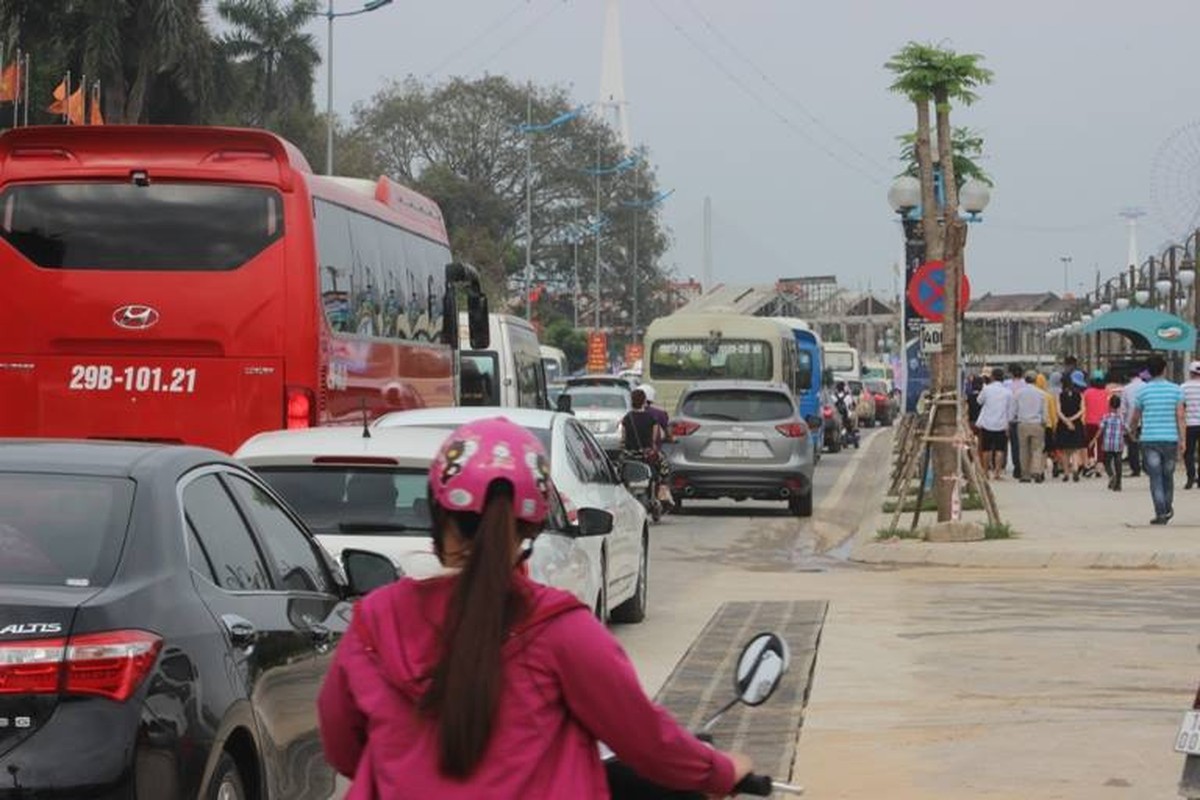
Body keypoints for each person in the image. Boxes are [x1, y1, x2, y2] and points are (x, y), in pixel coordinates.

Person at [317, 417, 751, 797]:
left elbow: (342, 745)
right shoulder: (561, 630)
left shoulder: (376, 620)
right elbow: (647, 741)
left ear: (436, 512)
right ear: (531, 527)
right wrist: (721, 771)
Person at [1130, 355, 1185, 525]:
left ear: (1148, 371)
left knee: (1155, 477)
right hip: (1170, 439)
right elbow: (1180, 416)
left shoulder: (1142, 391)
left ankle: (1161, 511)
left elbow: (1135, 416)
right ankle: (1167, 507)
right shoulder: (1176, 390)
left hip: (1150, 439)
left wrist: (1132, 431)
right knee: (1168, 475)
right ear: (1164, 369)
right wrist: (1183, 439)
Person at [976, 367, 1012, 480]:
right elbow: (1009, 409)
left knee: (986, 449)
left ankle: (985, 472)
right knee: (1000, 450)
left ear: (992, 377)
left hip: (987, 423)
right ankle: (997, 473)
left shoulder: (987, 389)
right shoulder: (1008, 392)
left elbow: (979, 401)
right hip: (1001, 424)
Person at [1013, 370, 1047, 483]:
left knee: (1023, 450)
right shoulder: (1042, 393)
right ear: (1036, 380)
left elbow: (1014, 409)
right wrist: (1044, 422)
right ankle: (1036, 472)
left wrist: (1012, 419)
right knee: (1037, 449)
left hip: (1022, 423)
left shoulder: (1018, 393)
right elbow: (1044, 411)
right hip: (1037, 424)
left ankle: (1025, 475)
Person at [1056, 370, 1087, 482]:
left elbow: (1058, 411)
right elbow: (1082, 409)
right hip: (1076, 424)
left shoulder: (1059, 395)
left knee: (1064, 451)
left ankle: (1066, 473)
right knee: (1075, 450)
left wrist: (1066, 420)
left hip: (1063, 425)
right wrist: (1073, 419)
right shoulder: (1080, 395)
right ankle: (1075, 469)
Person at [1081, 371, 1110, 477]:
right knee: (1101, 446)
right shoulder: (1107, 392)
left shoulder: (1087, 392)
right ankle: (1100, 467)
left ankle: (1091, 463)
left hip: (1089, 422)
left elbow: (1084, 406)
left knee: (1090, 444)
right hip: (1103, 423)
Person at [1097, 394, 1127, 491]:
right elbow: (1126, 428)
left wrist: (1093, 440)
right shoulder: (1121, 417)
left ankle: (1111, 475)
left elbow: (1100, 430)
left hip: (1108, 444)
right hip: (1118, 444)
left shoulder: (1105, 417)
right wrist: (1132, 437)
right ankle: (1119, 483)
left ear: (1109, 405)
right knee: (1118, 463)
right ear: (1119, 406)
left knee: (1107, 462)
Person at [1121, 368, 1147, 477]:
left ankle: (1136, 469)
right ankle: (1147, 467)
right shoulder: (1146, 386)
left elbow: (1123, 409)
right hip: (1146, 421)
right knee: (1146, 445)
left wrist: (1124, 424)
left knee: (1133, 446)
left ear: (1128, 377)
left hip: (1131, 421)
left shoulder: (1126, 389)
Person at [1183, 361, 1200, 488]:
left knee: (1188, 452)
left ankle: (1190, 477)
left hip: (1189, 424)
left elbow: (1180, 407)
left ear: (1190, 373)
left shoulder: (1183, 388)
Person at [1007, 364, 1026, 478]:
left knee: (1015, 445)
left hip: (1013, 419)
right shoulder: (1026, 385)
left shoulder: (1007, 385)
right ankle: (1025, 466)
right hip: (1024, 418)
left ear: (1012, 374)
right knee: (1024, 445)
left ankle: (1017, 467)